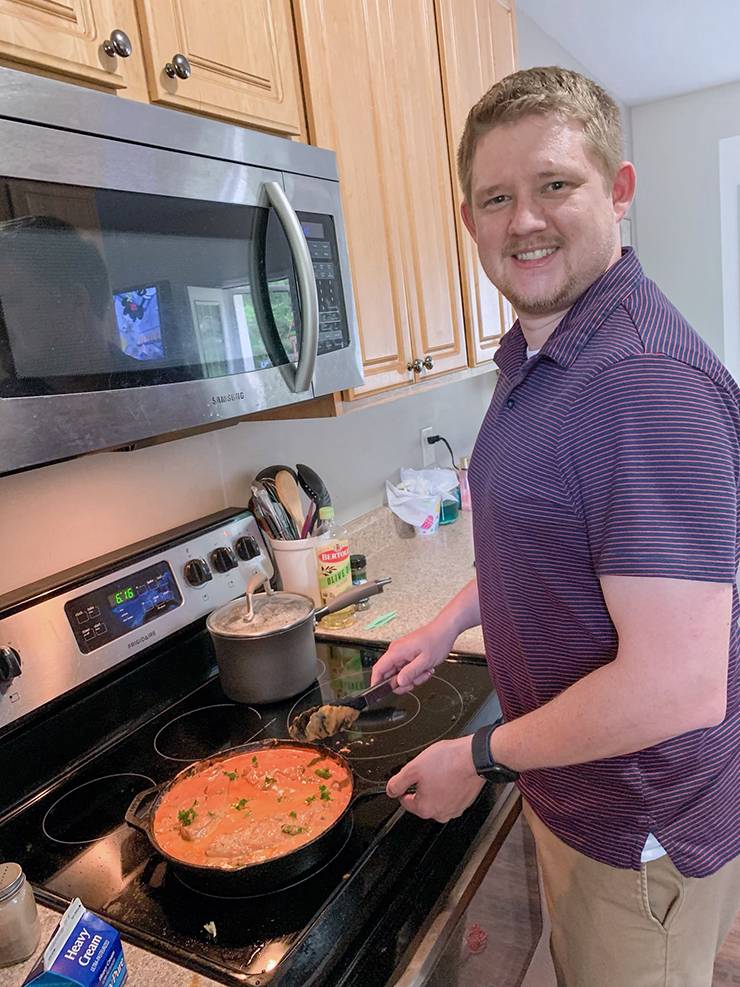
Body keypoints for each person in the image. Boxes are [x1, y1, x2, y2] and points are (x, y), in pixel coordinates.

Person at [372, 66, 740, 987]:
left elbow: (679, 685)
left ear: (617, 191)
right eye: (496, 197)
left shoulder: (646, 386)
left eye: (554, 185)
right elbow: (537, 534)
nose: (522, 221)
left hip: (638, 827)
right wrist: (448, 621)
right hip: (576, 785)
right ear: (469, 222)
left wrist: (479, 754)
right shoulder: (541, 350)